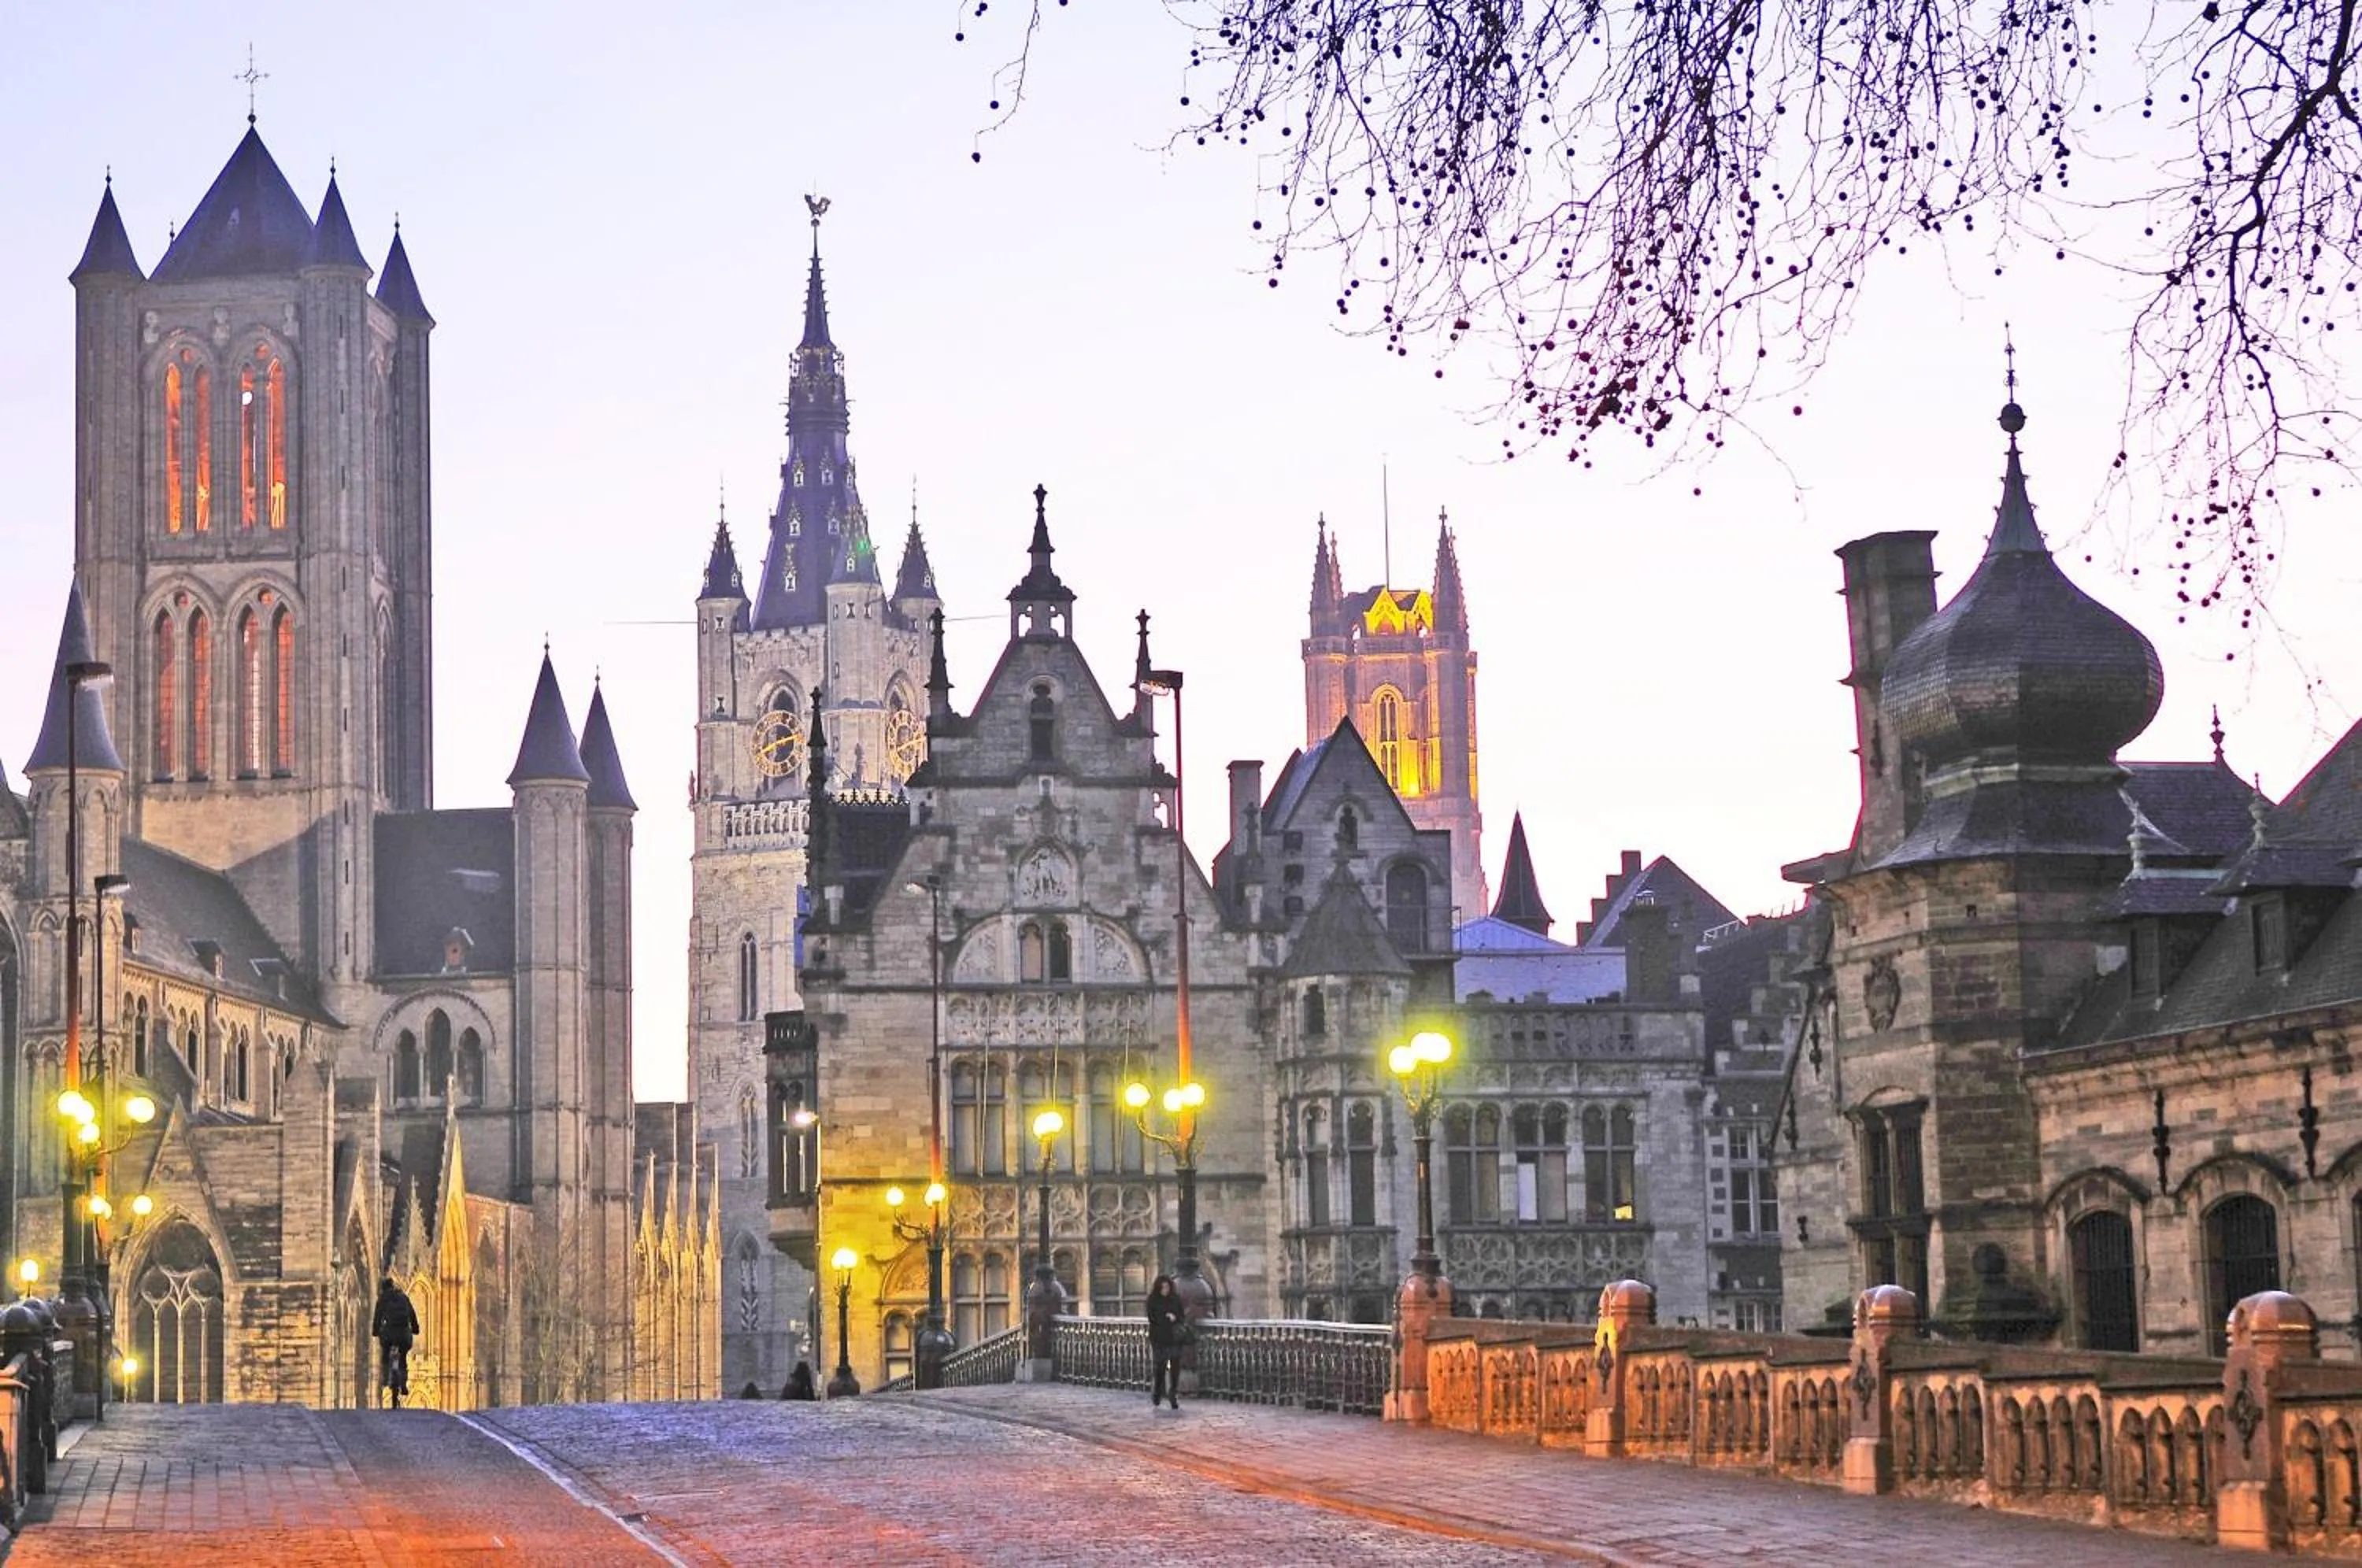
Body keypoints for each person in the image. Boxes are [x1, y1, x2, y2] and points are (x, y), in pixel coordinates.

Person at [372, 1276, 420, 1409]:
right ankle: (404, 1385)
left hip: (389, 1333)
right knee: (403, 1358)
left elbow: (377, 1318)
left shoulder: (383, 1299)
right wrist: (416, 1329)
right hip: (404, 1333)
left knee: (385, 1354)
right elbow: (412, 1315)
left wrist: (375, 1331)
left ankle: (386, 1377)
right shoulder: (403, 1298)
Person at [1146, 1274, 1187, 1411]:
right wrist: (1165, 1317)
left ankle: (1173, 1394)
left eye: (1167, 1287)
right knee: (1160, 1368)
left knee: (1175, 1367)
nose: (1165, 1290)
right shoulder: (1153, 1300)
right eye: (1163, 1288)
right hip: (1159, 1338)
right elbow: (1152, 1318)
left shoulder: (1175, 1299)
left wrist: (1175, 1317)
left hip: (1174, 1338)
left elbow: (1182, 1316)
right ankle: (1157, 1392)